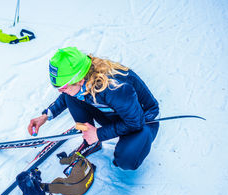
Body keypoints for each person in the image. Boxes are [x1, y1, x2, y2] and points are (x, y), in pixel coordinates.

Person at [28, 47, 159, 170]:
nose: (60, 91)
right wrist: (46, 115)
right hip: (115, 114)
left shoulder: (114, 88)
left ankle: (99, 139)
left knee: (126, 160)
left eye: (63, 87)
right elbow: (66, 95)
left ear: (79, 80)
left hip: (142, 122)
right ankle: (90, 140)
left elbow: (136, 122)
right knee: (71, 97)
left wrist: (98, 134)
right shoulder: (84, 79)